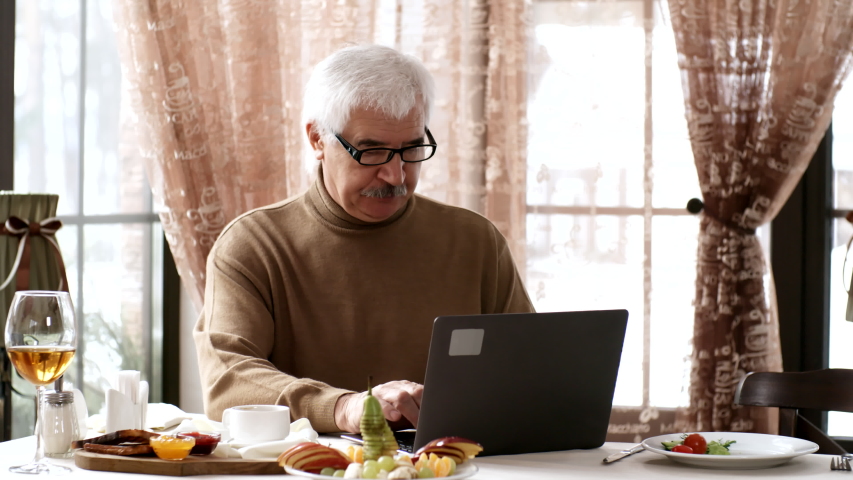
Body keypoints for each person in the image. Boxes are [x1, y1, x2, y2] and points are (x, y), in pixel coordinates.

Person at [194, 44, 534, 434]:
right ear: (318, 139)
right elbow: (228, 381)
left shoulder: (475, 241)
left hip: (456, 466)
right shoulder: (253, 244)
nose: (396, 175)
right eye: (372, 151)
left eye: (410, 149)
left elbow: (528, 368)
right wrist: (343, 408)